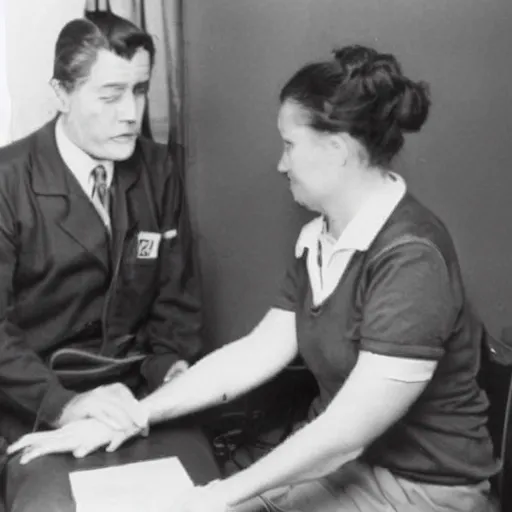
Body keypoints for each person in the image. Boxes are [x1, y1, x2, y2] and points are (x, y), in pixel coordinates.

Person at [9, 45, 500, 512]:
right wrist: (135, 416)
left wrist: (222, 495)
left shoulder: (412, 258)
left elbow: (346, 431)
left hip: (419, 492)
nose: (281, 162)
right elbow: (255, 353)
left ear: (337, 150)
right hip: (345, 471)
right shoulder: (321, 237)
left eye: (289, 144)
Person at [0, 11, 206, 511]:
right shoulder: (7, 181)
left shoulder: (158, 170)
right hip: (33, 400)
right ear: (62, 93)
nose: (132, 114)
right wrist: (64, 405)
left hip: (134, 397)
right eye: (111, 95)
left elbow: (175, 300)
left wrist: (174, 372)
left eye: (140, 91)